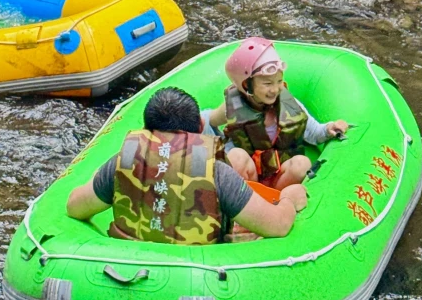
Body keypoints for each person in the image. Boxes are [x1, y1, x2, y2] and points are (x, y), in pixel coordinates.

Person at [65, 86, 302, 243]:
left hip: (129, 266)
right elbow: (277, 226)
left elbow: (74, 207)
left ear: (147, 130)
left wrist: (98, 176)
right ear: (200, 128)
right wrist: (289, 200)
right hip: (198, 275)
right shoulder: (216, 171)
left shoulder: (123, 161)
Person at [206, 36, 349, 194]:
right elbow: (208, 121)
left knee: (302, 164)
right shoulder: (232, 107)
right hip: (248, 179)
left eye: (279, 81)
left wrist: (329, 129)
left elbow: (314, 133)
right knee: (236, 157)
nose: (275, 89)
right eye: (267, 83)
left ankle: (273, 199)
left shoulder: (289, 104)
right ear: (247, 85)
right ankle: (244, 201)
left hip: (278, 177)